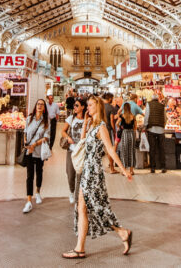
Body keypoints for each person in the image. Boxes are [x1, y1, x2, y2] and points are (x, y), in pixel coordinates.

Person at [62, 95, 134, 259]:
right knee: (82, 208)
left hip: (93, 172)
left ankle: (123, 232)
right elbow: (82, 144)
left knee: (97, 207)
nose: (88, 108)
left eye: (91, 105)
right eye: (87, 105)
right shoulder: (92, 126)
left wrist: (123, 169)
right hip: (86, 170)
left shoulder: (101, 127)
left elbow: (110, 149)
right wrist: (86, 123)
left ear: (98, 107)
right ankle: (80, 248)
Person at [22, 98, 50, 213]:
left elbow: (46, 137)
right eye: (38, 104)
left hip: (39, 151)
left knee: (39, 172)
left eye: (42, 105)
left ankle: (38, 192)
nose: (39, 106)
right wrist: (25, 142)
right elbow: (25, 132)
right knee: (29, 175)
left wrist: (35, 144)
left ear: (44, 108)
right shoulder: (29, 118)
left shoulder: (46, 121)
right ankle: (29, 200)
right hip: (29, 151)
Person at [63, 99, 86, 202]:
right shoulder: (71, 118)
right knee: (70, 173)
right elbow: (63, 131)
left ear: (83, 107)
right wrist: (68, 138)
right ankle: (71, 191)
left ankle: (79, 194)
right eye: (74, 105)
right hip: (71, 151)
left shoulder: (87, 120)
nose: (75, 107)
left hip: (82, 151)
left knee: (80, 174)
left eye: (77, 105)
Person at [143, 95, 167, 173]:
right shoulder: (162, 106)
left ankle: (153, 167)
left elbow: (146, 116)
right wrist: (163, 125)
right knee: (162, 149)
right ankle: (163, 167)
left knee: (152, 148)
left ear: (152, 99)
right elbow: (165, 118)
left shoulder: (148, 104)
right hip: (161, 130)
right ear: (157, 99)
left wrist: (145, 126)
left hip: (151, 129)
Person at [117, 102, 137, 176]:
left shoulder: (122, 116)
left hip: (125, 134)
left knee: (124, 151)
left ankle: (124, 170)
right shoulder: (133, 116)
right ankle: (131, 170)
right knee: (131, 151)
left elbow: (117, 123)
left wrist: (120, 127)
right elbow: (135, 127)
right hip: (131, 134)